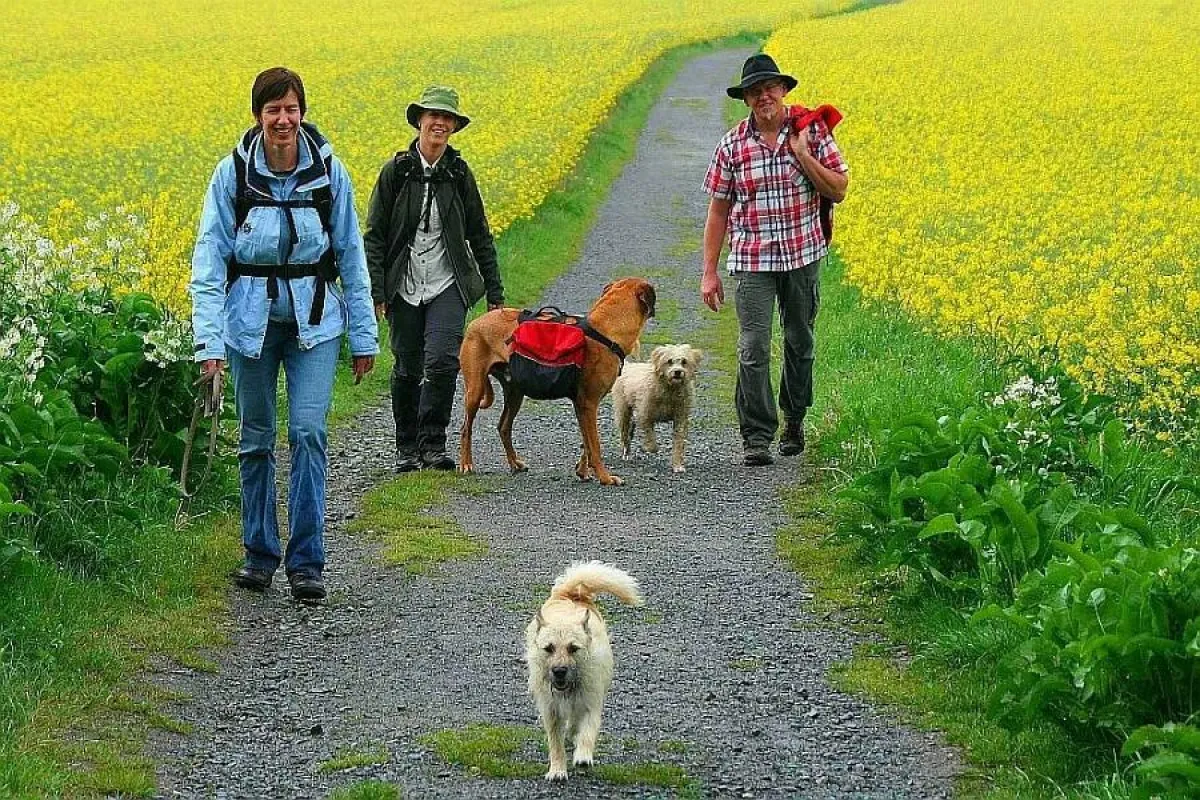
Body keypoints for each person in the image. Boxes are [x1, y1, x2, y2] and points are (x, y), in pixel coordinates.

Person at [190, 67, 378, 601]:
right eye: (273, 110)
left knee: (308, 432)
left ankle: (306, 562)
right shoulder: (231, 176)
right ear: (258, 117)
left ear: (303, 113)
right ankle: (258, 553)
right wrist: (209, 345)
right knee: (254, 438)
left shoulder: (329, 174)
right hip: (248, 325)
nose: (283, 119)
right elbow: (208, 262)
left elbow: (351, 256)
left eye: (291, 109)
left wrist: (363, 336)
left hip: (314, 324)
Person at [701, 54, 849, 466]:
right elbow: (718, 209)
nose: (763, 96)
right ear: (746, 99)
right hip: (752, 259)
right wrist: (709, 272)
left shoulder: (811, 133)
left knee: (799, 341)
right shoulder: (732, 145)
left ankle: (795, 419)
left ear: (783, 91)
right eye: (754, 91)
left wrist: (803, 155)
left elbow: (839, 189)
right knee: (752, 347)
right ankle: (757, 435)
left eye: (770, 87)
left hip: (802, 254)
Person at [365, 85, 504, 472]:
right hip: (405, 283)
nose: (440, 124)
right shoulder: (397, 171)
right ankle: (407, 446)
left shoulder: (459, 174)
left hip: (447, 282)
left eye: (448, 119)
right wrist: (377, 290)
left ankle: (434, 443)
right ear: (420, 121)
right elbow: (375, 235)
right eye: (434, 117)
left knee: (443, 361)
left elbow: (479, 232)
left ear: (454, 127)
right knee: (408, 365)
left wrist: (494, 290)